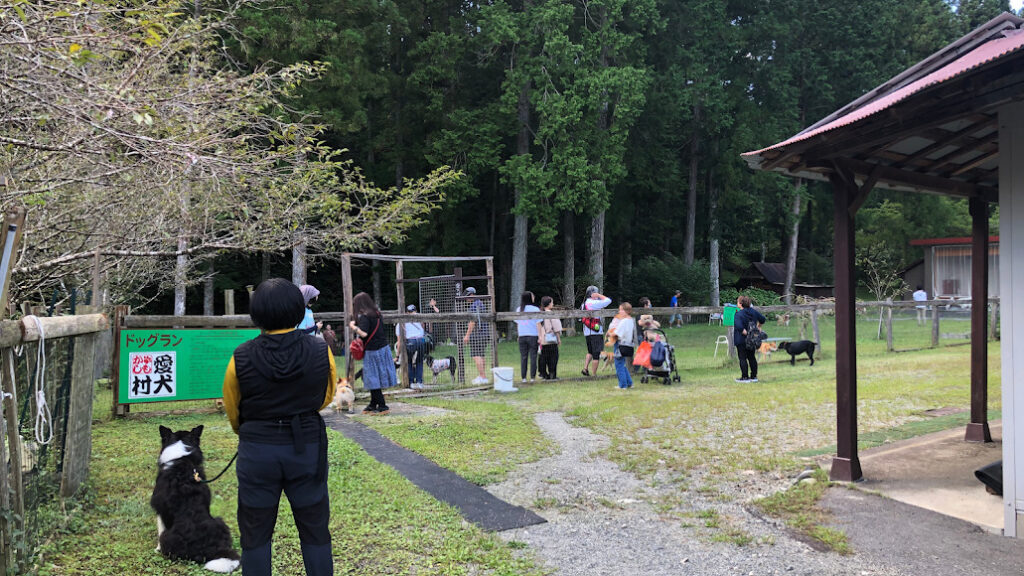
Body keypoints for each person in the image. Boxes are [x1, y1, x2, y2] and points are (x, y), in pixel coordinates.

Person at [221, 278, 336, 576]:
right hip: (307, 445)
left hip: (257, 450)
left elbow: (234, 410)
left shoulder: (240, 356)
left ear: (256, 314)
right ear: (299, 311)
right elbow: (326, 397)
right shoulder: (320, 350)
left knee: (255, 531)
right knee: (314, 527)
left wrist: (252, 430)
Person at [349, 292, 395, 413]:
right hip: (383, 348)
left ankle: (382, 405)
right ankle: (373, 404)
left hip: (373, 351)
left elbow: (364, 333)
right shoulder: (377, 314)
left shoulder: (364, 316)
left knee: (372, 377)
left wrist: (353, 327)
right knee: (375, 377)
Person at [732, 294, 767, 383]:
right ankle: (754, 376)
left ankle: (745, 377)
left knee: (742, 358)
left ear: (740, 304)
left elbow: (739, 327)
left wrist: (747, 334)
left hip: (741, 339)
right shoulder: (753, 312)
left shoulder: (738, 314)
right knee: (752, 357)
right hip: (752, 340)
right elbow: (762, 319)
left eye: (738, 302)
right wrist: (758, 328)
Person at [580, 286, 612, 377]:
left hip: (587, 331)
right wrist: (598, 295)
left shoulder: (584, 304)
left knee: (590, 351)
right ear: (593, 294)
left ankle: (585, 369)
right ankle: (594, 375)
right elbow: (608, 301)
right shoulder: (594, 303)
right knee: (596, 354)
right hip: (596, 332)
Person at [462, 287, 490, 384]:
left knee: (476, 355)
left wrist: (467, 335)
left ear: (472, 295)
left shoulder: (474, 305)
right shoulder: (480, 303)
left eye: (467, 296)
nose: (466, 299)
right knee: (481, 355)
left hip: (478, 333)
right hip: (485, 333)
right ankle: (483, 376)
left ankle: (482, 377)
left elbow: (472, 322)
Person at [396, 304, 427, 390]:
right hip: (421, 341)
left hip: (410, 342)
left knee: (409, 361)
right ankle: (419, 382)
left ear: (406, 312)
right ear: (415, 311)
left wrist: (397, 355)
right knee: (419, 361)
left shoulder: (401, 321)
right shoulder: (419, 318)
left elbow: (399, 340)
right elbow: (423, 328)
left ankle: (411, 382)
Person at [607, 302, 637, 389]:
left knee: (619, 365)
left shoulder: (623, 321)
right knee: (622, 364)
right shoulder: (631, 320)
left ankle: (622, 385)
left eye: (621, 310)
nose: (619, 311)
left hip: (620, 344)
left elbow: (617, 333)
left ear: (626, 311)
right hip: (628, 345)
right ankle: (629, 383)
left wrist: (609, 334)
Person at [514, 291, 542, 382]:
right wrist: (540, 336)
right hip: (533, 335)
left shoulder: (519, 309)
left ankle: (524, 378)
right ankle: (532, 377)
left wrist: (519, 335)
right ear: (530, 298)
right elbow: (538, 324)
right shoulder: (535, 309)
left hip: (522, 335)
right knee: (533, 356)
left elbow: (518, 324)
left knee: (523, 357)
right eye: (533, 296)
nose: (534, 297)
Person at [537, 296, 562, 380]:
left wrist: (539, 337)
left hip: (543, 340)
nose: (553, 304)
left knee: (544, 357)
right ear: (548, 304)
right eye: (552, 302)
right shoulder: (551, 314)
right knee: (553, 358)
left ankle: (543, 374)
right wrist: (558, 338)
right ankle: (552, 374)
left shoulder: (540, 314)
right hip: (551, 339)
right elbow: (556, 328)